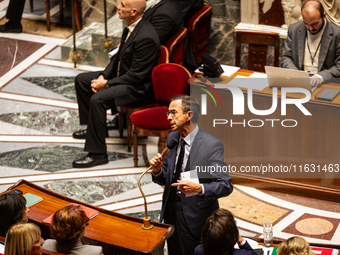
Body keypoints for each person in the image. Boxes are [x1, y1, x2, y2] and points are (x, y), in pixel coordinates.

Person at [71, 0, 161, 168]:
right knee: (82, 80)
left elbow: (136, 76)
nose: (118, 7)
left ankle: (98, 154)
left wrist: (107, 84)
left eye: (122, 5)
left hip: (138, 88)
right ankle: (94, 129)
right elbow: (117, 58)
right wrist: (102, 75)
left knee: (98, 100)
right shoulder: (131, 26)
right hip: (125, 78)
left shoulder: (146, 37)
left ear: (134, 12)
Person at [150, 95, 233, 255]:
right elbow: (167, 178)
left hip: (195, 215)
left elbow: (225, 185)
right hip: (171, 210)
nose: (168, 117)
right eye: (168, 113)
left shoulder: (211, 145)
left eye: (173, 113)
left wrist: (200, 188)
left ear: (189, 115)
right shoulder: (172, 138)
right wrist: (158, 170)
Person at [281, 0, 340, 87]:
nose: (310, 28)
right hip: (300, 84)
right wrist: (296, 74)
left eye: (315, 24)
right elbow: (286, 57)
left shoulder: (337, 33)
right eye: (306, 23)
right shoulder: (294, 30)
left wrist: (321, 76)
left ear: (324, 16)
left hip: (326, 84)